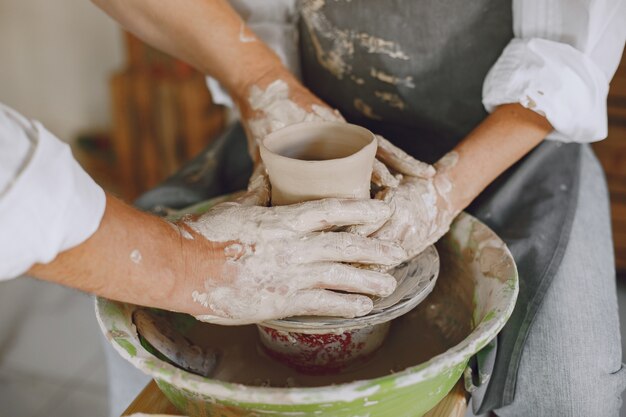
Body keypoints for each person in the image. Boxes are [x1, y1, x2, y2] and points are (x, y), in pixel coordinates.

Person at [90, 0, 626, 416]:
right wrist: (262, 88)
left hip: (515, 134)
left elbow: (566, 57)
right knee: (135, 325)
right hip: (299, 115)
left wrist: (442, 192)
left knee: (571, 387)